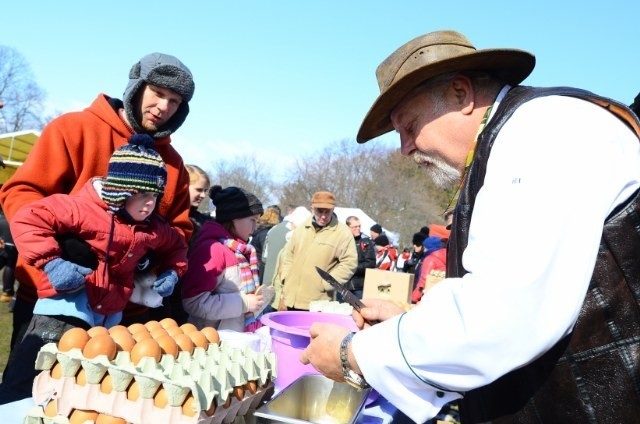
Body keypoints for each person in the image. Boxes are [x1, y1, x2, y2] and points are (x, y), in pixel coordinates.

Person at [300, 29, 640, 423]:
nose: (404, 148)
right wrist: (406, 323)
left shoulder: (543, 130)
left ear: (461, 94)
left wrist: (353, 353)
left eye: (409, 127)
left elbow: (500, 315)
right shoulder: (506, 143)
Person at [0, 52, 195, 365]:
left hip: (125, 313)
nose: (163, 107)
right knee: (29, 400)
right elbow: (22, 192)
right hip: (51, 296)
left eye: (174, 101)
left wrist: (152, 259)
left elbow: (180, 230)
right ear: (137, 87)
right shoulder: (73, 128)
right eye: (158, 94)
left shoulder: (174, 165)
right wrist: (59, 248)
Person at [0, 134, 188, 404]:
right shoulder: (80, 208)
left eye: (155, 196)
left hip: (109, 319)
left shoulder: (153, 227)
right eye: (143, 195)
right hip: (64, 307)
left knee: (77, 389)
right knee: (29, 377)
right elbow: (28, 219)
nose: (150, 203)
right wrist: (51, 262)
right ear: (121, 190)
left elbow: (177, 247)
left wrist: (172, 273)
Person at [181, 185, 265, 332]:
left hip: (233, 336)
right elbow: (193, 302)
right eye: (252, 220)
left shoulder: (240, 250)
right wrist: (244, 303)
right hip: (212, 341)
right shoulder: (214, 250)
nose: (256, 227)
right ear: (233, 219)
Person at [279, 191, 357, 311]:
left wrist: (326, 284)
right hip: (290, 299)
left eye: (328, 211)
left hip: (317, 303)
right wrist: (286, 277)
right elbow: (289, 255)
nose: (324, 216)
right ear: (312, 209)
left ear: (333, 209)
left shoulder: (342, 233)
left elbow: (350, 263)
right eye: (320, 211)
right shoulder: (302, 228)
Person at [344, 216, 376, 299]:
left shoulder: (366, 242)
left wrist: (353, 268)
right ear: (348, 227)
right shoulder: (342, 241)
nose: (358, 228)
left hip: (359, 286)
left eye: (359, 226)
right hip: (343, 285)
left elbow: (371, 263)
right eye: (355, 227)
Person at [251, 205, 282, 283]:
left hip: (255, 264)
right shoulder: (267, 233)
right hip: (261, 268)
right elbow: (265, 253)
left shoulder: (260, 230)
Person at [411, 236, 446, 303]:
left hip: (427, 296)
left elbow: (424, 281)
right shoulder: (446, 257)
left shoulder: (430, 259)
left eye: (425, 247)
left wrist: (413, 298)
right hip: (440, 296)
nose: (423, 249)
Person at [185, 164, 212, 245]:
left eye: (205, 191)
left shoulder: (204, 222)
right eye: (199, 190)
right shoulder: (166, 218)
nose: (203, 195)